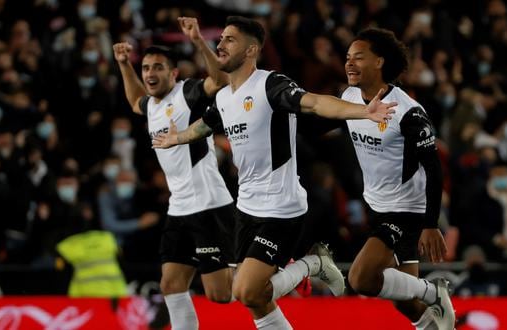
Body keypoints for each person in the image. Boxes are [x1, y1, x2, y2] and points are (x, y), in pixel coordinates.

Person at [152, 16, 396, 330]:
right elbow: (206, 125)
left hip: (281, 207)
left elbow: (314, 104)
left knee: (246, 290)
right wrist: (178, 137)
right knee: (253, 297)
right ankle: (312, 264)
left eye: (230, 40)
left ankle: (313, 263)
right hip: (246, 208)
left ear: (251, 50)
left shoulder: (270, 84)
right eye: (222, 38)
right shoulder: (225, 97)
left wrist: (362, 111)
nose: (221, 44)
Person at [113, 17, 236, 330]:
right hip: (179, 209)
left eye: (158, 67)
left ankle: (285, 271)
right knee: (171, 285)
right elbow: (134, 101)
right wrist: (125, 64)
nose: (151, 73)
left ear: (174, 73)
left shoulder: (188, 93)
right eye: (147, 68)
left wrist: (197, 41)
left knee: (221, 295)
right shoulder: (152, 105)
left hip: (209, 205)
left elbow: (219, 81)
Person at [341, 28, 455, 329]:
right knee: (405, 299)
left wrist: (431, 224)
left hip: (406, 210)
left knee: (361, 278)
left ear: (379, 62)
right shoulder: (349, 97)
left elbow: (434, 169)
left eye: (359, 57)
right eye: (348, 57)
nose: (350, 63)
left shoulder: (408, 113)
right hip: (375, 205)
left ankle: (435, 292)